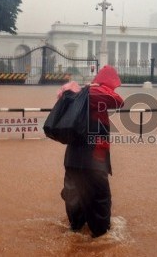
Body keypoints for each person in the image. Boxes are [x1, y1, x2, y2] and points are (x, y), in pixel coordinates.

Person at [59, 65, 124, 238]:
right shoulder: (93, 95)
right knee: (100, 199)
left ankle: (76, 230)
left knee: (74, 197)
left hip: (72, 159)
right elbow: (118, 101)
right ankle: (100, 236)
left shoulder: (77, 97)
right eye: (113, 85)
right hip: (93, 162)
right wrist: (97, 87)